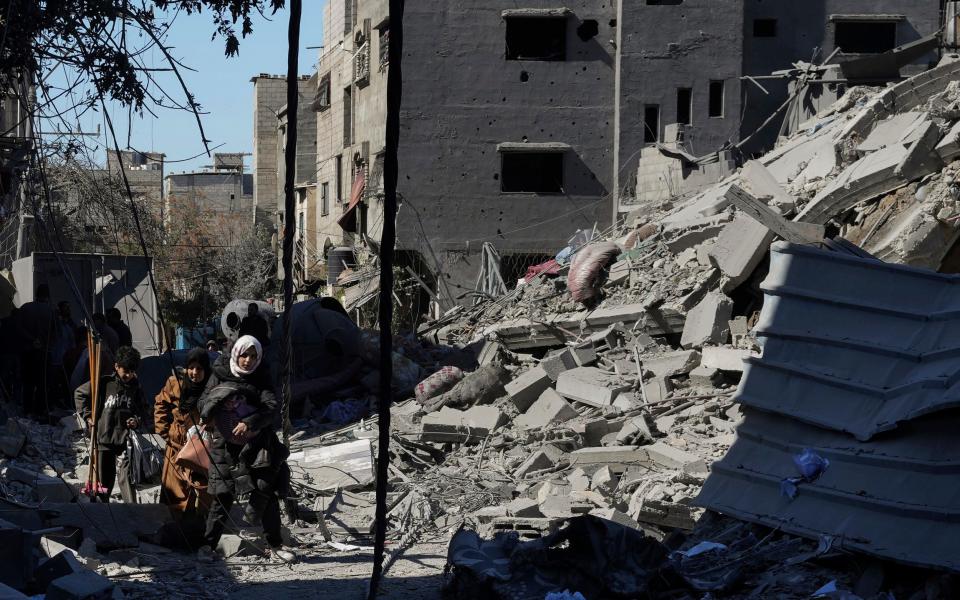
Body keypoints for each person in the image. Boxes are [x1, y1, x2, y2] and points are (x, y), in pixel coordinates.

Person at [198, 335, 296, 563]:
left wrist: (249, 422)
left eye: (253, 356)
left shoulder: (261, 377)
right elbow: (203, 402)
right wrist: (216, 408)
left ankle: (275, 545)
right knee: (222, 495)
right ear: (235, 354)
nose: (248, 360)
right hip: (224, 445)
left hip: (256, 445)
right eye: (244, 355)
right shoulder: (219, 373)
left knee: (265, 492)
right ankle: (207, 546)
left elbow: (271, 407)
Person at [74, 346, 146, 503]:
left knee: (128, 478)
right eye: (124, 370)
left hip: (125, 440)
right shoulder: (104, 383)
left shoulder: (136, 387)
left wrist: (137, 420)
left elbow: (144, 410)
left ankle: (131, 509)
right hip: (104, 438)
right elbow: (79, 393)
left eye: (131, 371)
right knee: (103, 482)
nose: (128, 374)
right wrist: (87, 416)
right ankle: (102, 507)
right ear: (116, 366)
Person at [155, 348, 213, 517]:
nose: (195, 373)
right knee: (174, 493)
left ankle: (198, 527)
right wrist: (165, 431)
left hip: (199, 449)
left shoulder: (211, 389)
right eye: (191, 368)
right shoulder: (175, 384)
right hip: (175, 447)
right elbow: (160, 404)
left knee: (201, 489)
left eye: (200, 369)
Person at [16, 284, 57, 416]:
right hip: (44, 352)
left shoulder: (25, 308)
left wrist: (31, 340)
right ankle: (39, 410)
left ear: (36, 294)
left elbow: (17, 328)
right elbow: (57, 333)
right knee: (42, 383)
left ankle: (27, 409)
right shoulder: (51, 311)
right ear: (47, 296)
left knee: (27, 382)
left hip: (28, 351)